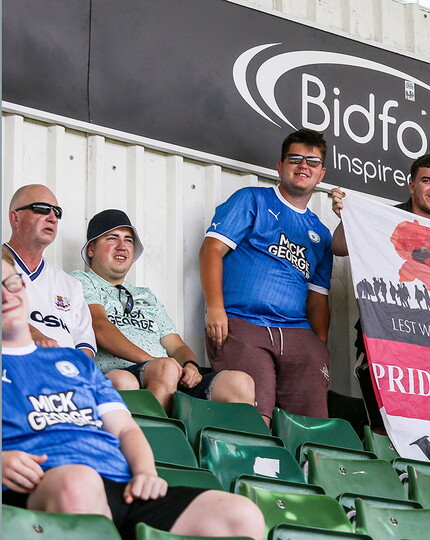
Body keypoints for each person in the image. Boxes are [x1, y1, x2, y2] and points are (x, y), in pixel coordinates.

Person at [1, 252, 264, 540]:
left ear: (24, 288)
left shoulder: (75, 363)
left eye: (10, 283)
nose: (6, 295)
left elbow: (125, 428)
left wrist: (145, 472)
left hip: (121, 487)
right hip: (44, 487)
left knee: (240, 514)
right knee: (79, 482)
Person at [200, 128, 334, 424]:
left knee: (308, 426)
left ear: (321, 174)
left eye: (312, 162)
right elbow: (211, 250)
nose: (303, 166)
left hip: (295, 330)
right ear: (280, 166)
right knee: (256, 416)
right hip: (243, 321)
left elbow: (318, 299)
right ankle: (258, 469)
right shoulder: (252, 200)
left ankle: (302, 468)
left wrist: (319, 344)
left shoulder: (321, 233)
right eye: (295, 159)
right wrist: (215, 308)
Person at [73, 209, 256, 414]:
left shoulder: (145, 295)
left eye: (128, 240)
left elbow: (176, 345)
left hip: (165, 372)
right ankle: (156, 443)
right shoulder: (81, 281)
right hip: (122, 373)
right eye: (112, 238)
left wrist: (190, 366)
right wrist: (153, 362)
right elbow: (99, 327)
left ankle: (225, 447)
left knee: (240, 383)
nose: (122, 246)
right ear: (91, 249)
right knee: (166, 369)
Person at [330, 153, 430, 432]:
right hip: (384, 337)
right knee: (385, 425)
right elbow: (338, 247)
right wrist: (347, 217)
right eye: (427, 180)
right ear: (412, 185)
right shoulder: (384, 217)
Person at [3, 184, 96, 357]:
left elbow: (85, 346)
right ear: (15, 218)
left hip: (65, 376)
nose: (53, 218)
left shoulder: (71, 285)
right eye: (43, 209)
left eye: (57, 212)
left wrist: (74, 371)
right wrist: (34, 335)